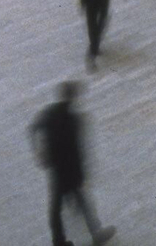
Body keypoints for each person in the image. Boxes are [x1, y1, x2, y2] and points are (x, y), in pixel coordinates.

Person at [30, 81, 116, 246]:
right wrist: (83, 171)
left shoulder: (50, 113)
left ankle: (60, 240)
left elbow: (33, 129)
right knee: (77, 202)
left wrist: (39, 152)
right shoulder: (74, 120)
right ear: (74, 97)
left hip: (56, 167)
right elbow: (79, 150)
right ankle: (94, 234)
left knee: (58, 206)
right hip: (70, 170)